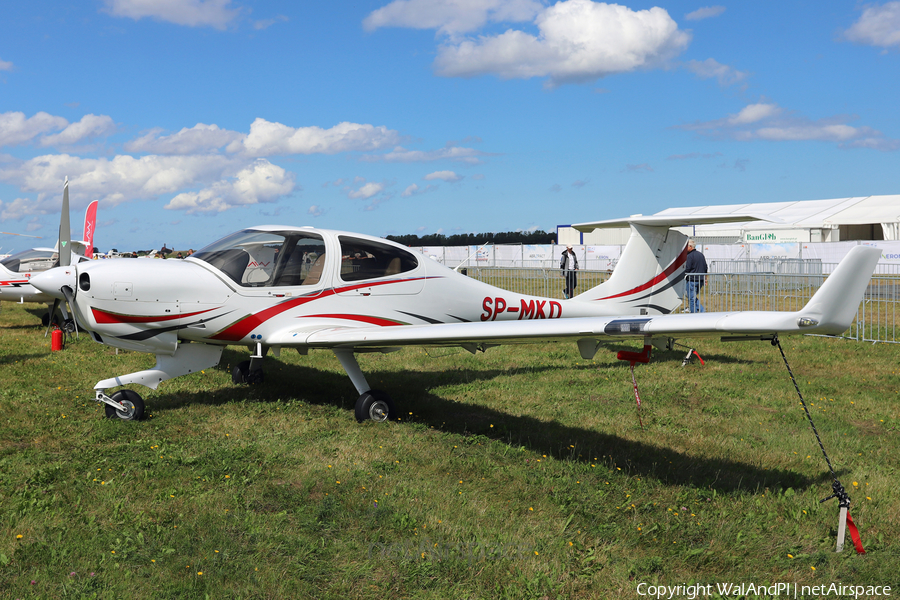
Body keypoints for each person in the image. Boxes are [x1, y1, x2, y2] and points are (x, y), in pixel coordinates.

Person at [685, 239, 707, 313]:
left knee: (691, 298)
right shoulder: (701, 255)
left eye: (686, 247)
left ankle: (693, 313)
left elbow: (687, 268)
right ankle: (701, 311)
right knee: (693, 297)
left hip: (692, 280)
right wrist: (705, 279)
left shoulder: (689, 256)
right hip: (700, 279)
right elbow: (705, 267)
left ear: (690, 246)